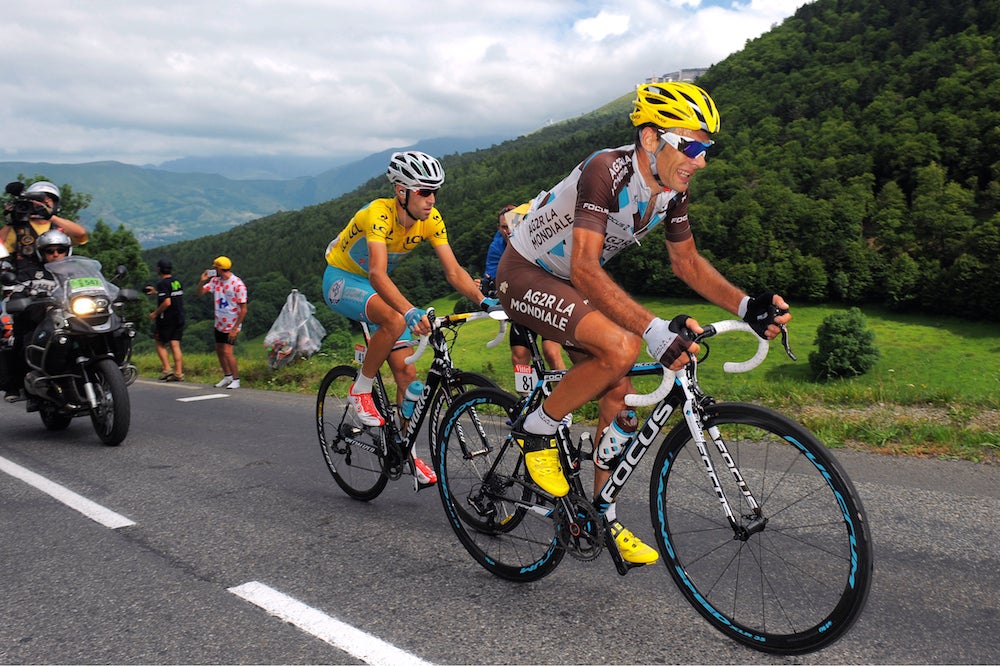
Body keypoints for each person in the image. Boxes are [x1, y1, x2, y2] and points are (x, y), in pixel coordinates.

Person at [496, 82, 792, 565]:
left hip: (569, 282)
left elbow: (688, 263)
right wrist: (654, 331)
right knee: (621, 348)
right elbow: (586, 268)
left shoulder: (672, 190)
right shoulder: (605, 169)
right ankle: (536, 428)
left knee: (622, 394)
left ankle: (601, 514)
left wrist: (746, 307)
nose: (701, 161)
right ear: (653, 139)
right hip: (525, 273)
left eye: (707, 149)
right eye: (692, 147)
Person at [322, 150, 495, 485]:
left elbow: (454, 272)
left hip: (378, 291)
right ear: (401, 191)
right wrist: (408, 309)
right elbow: (376, 273)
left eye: (435, 192)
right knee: (397, 320)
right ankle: (360, 390)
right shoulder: (378, 213)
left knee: (408, 375)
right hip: (342, 281)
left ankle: (407, 454)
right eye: (424, 192)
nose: (431, 200)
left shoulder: (432, 219)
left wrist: (484, 301)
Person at [483, 204, 567, 394]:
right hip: (521, 303)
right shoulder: (497, 245)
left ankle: (563, 409)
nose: (508, 231)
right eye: (503, 227)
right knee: (519, 357)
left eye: (511, 225)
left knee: (551, 352)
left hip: (546, 298)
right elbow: (493, 279)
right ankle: (525, 404)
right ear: (498, 228)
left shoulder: (537, 233)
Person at [1, 229, 74, 406]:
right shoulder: (30, 272)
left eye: (60, 250)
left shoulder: (77, 271)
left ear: (68, 251)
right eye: (50, 251)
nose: (56, 254)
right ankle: (26, 386)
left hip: (74, 317)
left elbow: (99, 285)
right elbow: (15, 292)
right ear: (42, 253)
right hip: (42, 320)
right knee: (27, 342)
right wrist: (24, 298)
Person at [1, 181, 88, 276]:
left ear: (55, 203)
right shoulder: (18, 229)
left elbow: (81, 234)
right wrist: (11, 222)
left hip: (59, 282)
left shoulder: (61, 227)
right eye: (39, 200)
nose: (44, 203)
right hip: (25, 284)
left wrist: (50, 216)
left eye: (48, 199)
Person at [197, 256, 247, 389]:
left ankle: (236, 379)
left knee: (227, 351)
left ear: (220, 268)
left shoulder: (237, 284)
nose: (214, 270)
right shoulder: (215, 281)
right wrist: (202, 281)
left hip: (232, 324)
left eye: (215, 268)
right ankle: (227, 376)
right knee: (219, 350)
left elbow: (243, 309)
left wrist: (235, 328)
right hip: (219, 322)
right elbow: (200, 292)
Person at [146, 258, 185, 381]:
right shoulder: (176, 282)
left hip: (167, 319)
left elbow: (167, 302)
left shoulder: (162, 283)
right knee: (175, 344)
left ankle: (167, 369)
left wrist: (155, 313)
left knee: (160, 343)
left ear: (159, 269)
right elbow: (170, 296)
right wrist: (156, 293)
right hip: (179, 316)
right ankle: (178, 373)